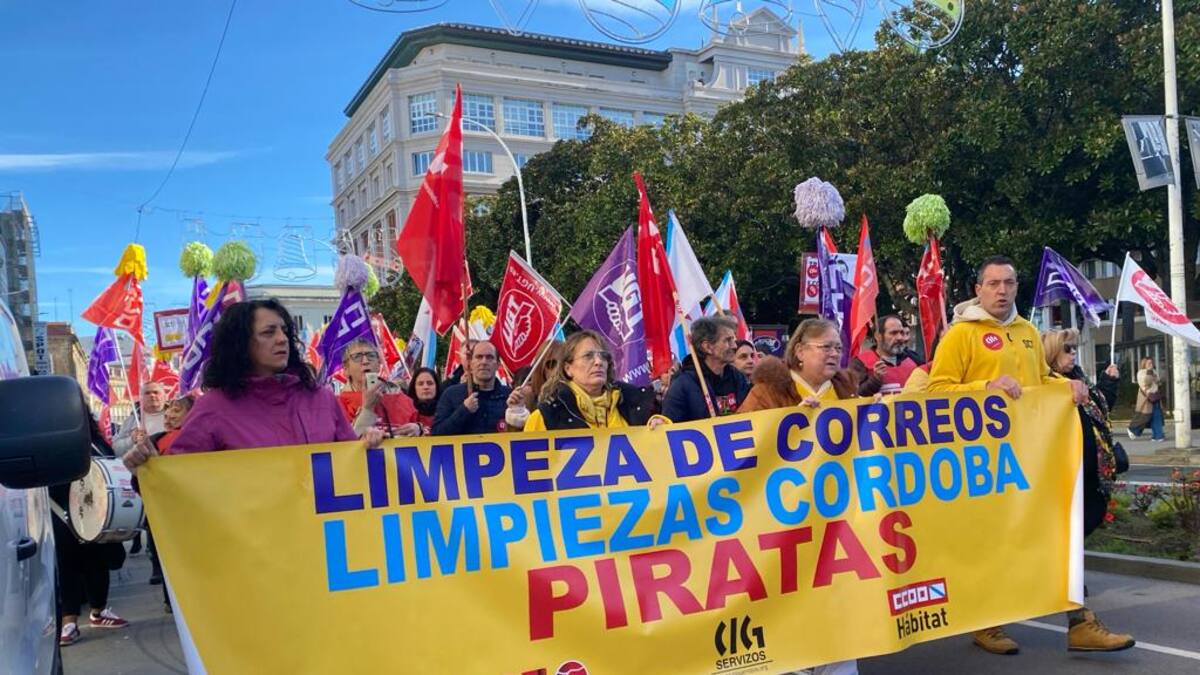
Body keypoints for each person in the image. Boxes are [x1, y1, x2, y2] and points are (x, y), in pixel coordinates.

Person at [928, 256, 1088, 657]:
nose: (1001, 290)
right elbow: (935, 392)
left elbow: (1040, 379)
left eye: (1009, 283)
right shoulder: (960, 335)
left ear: (1018, 287)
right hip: (981, 464)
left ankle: (1080, 621)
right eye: (993, 283)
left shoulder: (1029, 332)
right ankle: (987, 623)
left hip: (1028, 457)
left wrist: (1064, 386)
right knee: (989, 545)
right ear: (978, 289)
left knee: (1053, 534)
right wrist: (986, 387)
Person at [123, 299, 382, 468]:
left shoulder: (320, 397)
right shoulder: (213, 408)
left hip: (323, 542)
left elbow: (350, 460)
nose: (282, 339)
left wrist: (367, 443)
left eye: (284, 331)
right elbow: (178, 479)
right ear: (241, 343)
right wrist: (145, 467)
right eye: (269, 332)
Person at [737, 318, 859, 675]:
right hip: (786, 516)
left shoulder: (846, 388)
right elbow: (740, 443)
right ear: (801, 351)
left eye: (838, 346)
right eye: (826, 347)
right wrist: (787, 424)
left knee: (838, 599)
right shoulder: (768, 391)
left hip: (837, 512)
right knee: (791, 599)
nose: (835, 353)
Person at [1043, 329, 1136, 651]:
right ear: (1052, 354)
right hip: (1061, 485)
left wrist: (1109, 384)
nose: (1073, 354)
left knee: (1064, 550)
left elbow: (1098, 412)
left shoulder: (1080, 384)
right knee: (1063, 553)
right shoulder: (1044, 390)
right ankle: (1079, 621)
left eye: (1074, 348)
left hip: (1090, 481)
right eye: (1067, 349)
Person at [55, 414, 130, 646]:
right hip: (63, 511)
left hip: (96, 512)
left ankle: (99, 610)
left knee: (98, 562)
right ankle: (69, 621)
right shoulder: (55, 445)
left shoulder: (96, 443)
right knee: (69, 564)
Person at [524, 330, 661, 430]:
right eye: (588, 356)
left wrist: (661, 426)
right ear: (568, 368)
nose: (598, 362)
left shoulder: (637, 403)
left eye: (603, 356)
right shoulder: (545, 417)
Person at [662, 316, 750, 422]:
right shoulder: (682, 384)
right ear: (708, 347)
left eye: (734, 340)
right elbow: (670, 427)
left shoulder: (737, 377)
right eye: (728, 340)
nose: (735, 346)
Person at [337, 338, 421, 438]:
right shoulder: (337, 405)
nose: (365, 361)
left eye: (371, 355)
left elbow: (429, 431)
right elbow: (343, 445)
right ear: (346, 370)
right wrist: (367, 407)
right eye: (357, 357)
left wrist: (418, 428)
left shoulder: (402, 399)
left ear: (378, 364)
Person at [432, 340, 511, 435]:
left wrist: (518, 411)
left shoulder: (509, 396)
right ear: (471, 362)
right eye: (479, 357)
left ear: (498, 364)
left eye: (489, 357)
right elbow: (437, 433)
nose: (484, 362)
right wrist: (464, 410)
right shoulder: (451, 395)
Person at [848, 315, 919, 396]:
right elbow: (852, 396)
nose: (900, 337)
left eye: (901, 332)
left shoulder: (914, 360)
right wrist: (875, 380)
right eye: (893, 333)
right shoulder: (860, 362)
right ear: (878, 336)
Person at [505, 343, 565, 431]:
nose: (557, 370)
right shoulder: (527, 397)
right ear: (541, 368)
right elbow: (515, 441)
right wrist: (517, 415)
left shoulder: (581, 394)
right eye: (551, 364)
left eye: (562, 364)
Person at [112, 381, 167, 457]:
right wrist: (131, 440)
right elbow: (116, 450)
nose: (152, 395)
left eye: (156, 392)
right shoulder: (131, 420)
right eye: (147, 393)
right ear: (141, 398)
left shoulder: (175, 416)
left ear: (165, 396)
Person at [1129, 357, 1166, 441]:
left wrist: (1156, 377)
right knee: (1144, 416)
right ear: (1144, 364)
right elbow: (1147, 382)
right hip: (1146, 397)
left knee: (1156, 416)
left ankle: (1158, 436)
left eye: (1152, 363)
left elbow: (1158, 381)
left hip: (1155, 396)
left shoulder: (1153, 371)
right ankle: (1133, 430)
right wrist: (1149, 372)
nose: (1151, 365)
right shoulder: (1141, 373)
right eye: (1148, 363)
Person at [406, 367, 443, 434]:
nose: (425, 387)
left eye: (430, 383)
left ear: (436, 386)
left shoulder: (447, 410)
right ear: (414, 388)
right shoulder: (406, 411)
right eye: (420, 384)